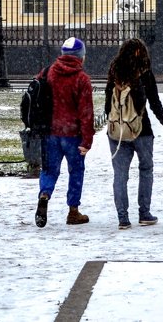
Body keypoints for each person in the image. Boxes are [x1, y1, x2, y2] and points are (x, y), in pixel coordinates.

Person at [104, 38, 163, 229]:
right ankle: (144, 213)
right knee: (146, 169)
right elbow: (155, 104)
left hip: (117, 132)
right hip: (142, 129)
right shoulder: (144, 73)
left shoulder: (114, 72)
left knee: (120, 174)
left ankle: (123, 218)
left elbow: (107, 104)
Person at [35, 37, 94, 227]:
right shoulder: (82, 79)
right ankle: (73, 211)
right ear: (81, 57)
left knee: (50, 170)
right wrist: (87, 141)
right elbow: (86, 113)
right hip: (73, 134)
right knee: (76, 171)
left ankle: (44, 195)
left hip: (50, 132)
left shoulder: (48, 72)